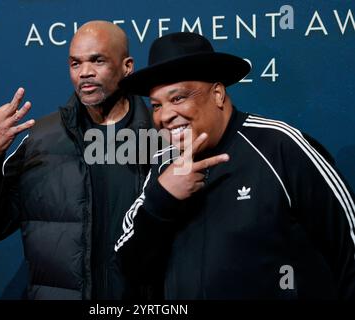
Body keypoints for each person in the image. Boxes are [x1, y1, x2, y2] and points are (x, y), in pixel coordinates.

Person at [115, 32, 355, 299]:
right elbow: (129, 266)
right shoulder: (163, 166)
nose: (166, 115)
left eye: (178, 98)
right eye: (156, 105)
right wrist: (162, 199)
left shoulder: (279, 145)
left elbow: (349, 246)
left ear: (217, 94)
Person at [0, 21, 155, 300]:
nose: (84, 73)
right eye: (75, 63)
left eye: (97, 61)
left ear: (127, 66)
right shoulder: (42, 139)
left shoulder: (161, 138)